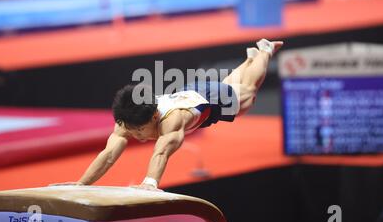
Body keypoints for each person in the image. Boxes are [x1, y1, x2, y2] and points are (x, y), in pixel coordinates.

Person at [51, 39, 283, 191]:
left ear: (153, 117)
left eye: (141, 130)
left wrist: (149, 183)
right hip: (189, 91)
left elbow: (161, 152)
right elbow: (108, 155)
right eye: (133, 130)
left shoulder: (172, 120)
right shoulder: (126, 121)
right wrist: (81, 185)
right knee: (233, 85)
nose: (139, 136)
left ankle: (264, 51)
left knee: (248, 95)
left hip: (208, 98)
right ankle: (249, 58)